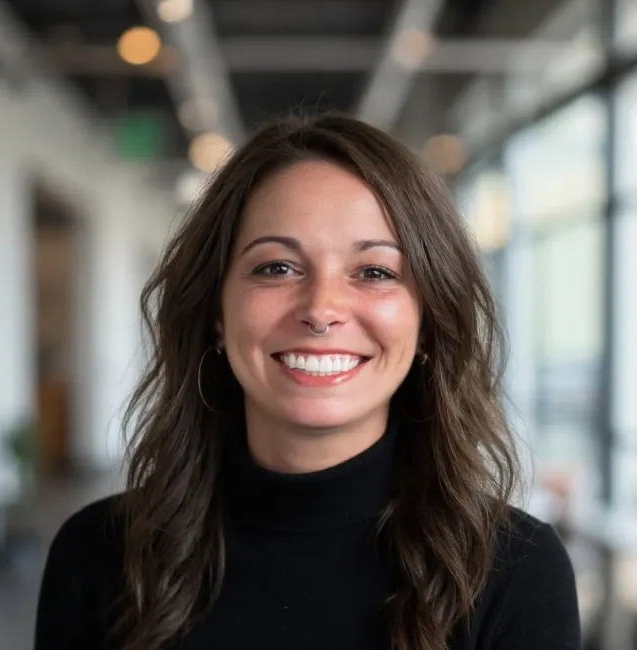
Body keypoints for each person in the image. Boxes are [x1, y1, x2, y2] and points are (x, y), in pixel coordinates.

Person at [34, 113, 581, 650]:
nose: (321, 310)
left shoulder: (516, 573)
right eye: (277, 267)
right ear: (217, 314)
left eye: (374, 272)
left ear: (428, 320)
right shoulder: (97, 556)